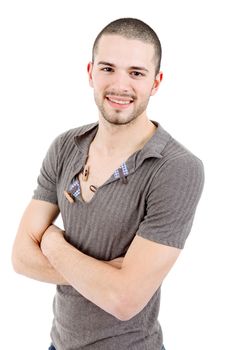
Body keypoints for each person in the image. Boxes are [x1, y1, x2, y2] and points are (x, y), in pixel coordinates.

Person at [11, 17, 204, 350]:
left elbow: (124, 299)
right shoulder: (64, 147)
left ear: (156, 83)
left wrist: (53, 243)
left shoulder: (176, 169)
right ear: (90, 72)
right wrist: (106, 275)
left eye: (136, 73)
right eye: (108, 68)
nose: (120, 85)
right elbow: (20, 257)